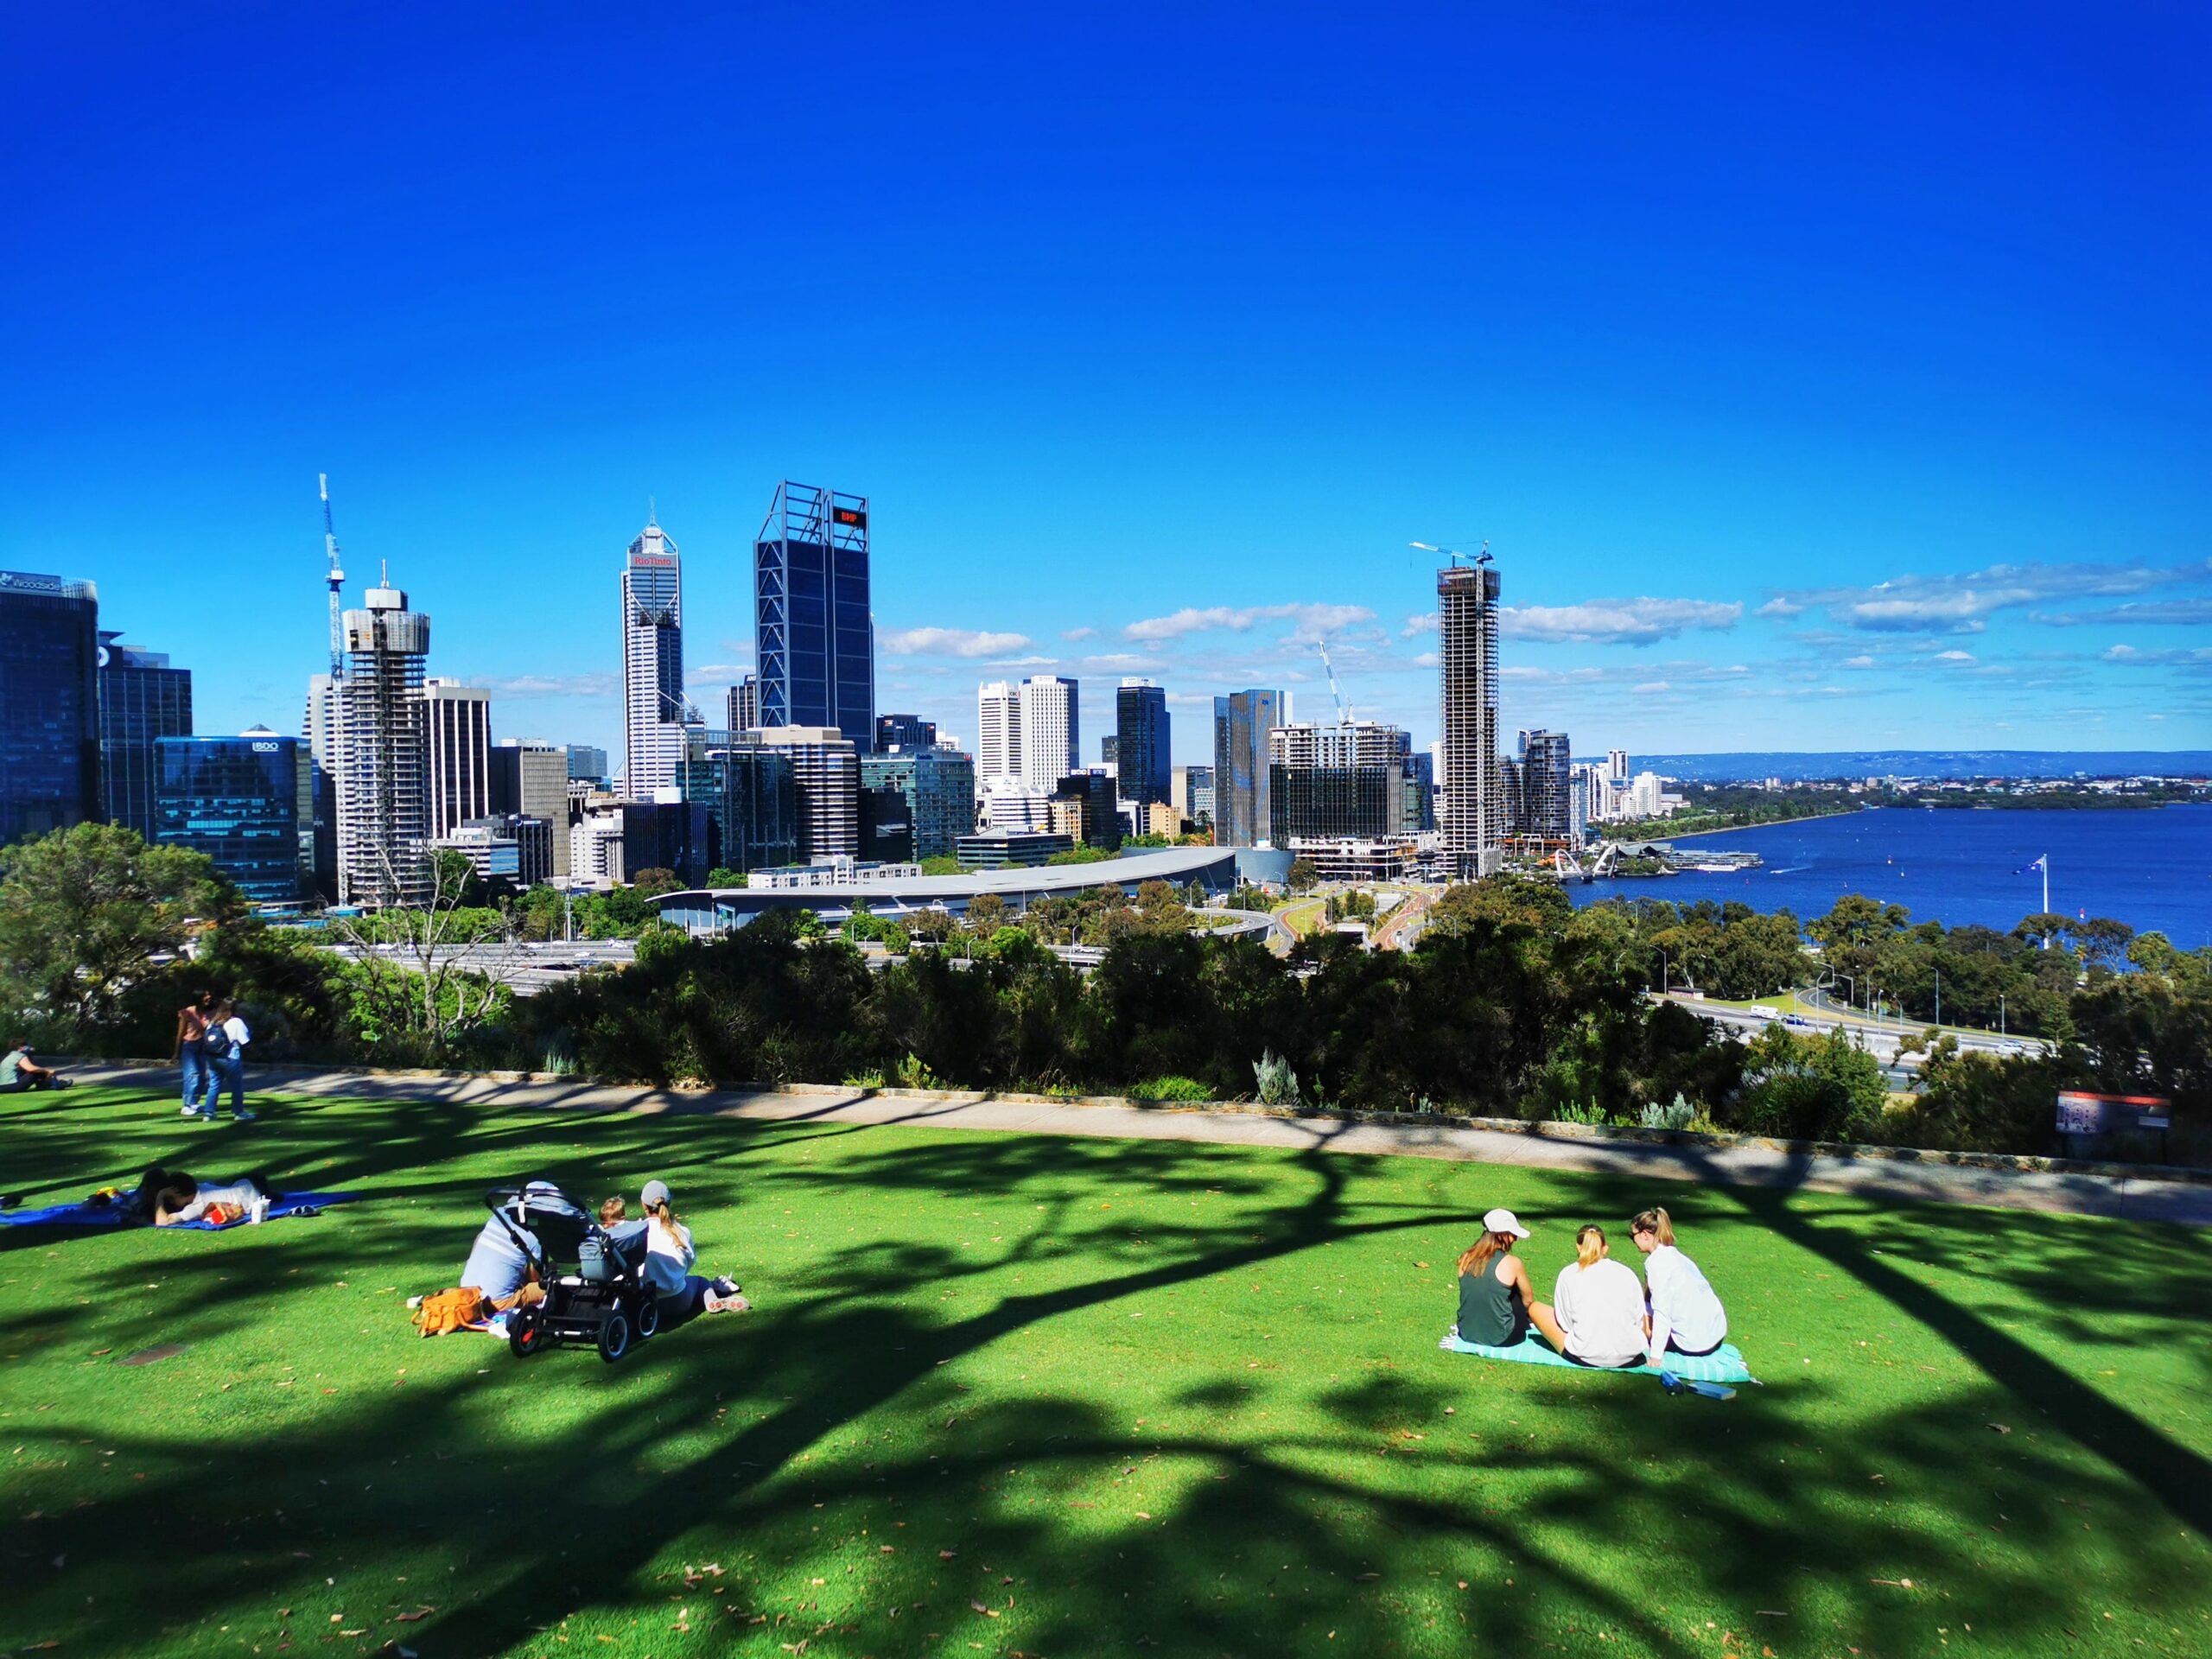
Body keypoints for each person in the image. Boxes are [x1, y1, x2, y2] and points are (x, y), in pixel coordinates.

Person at [1452, 1207, 1567, 1351]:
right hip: (1503, 1337)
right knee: (1516, 1295)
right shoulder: (1512, 1262)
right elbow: (1528, 1301)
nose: (1515, 1239)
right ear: (1501, 1235)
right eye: (1512, 1234)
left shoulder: (1465, 1258)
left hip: (1467, 1332)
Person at [639, 1179, 747, 1325]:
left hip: (645, 1304)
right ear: (669, 1203)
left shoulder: (636, 1233)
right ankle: (713, 1300)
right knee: (700, 1282)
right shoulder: (682, 1232)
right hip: (679, 1302)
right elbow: (689, 1263)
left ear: (643, 1205)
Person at [1629, 1206, 1728, 1364]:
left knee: (1636, 1322)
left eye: (1632, 1235)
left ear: (1645, 1235)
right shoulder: (1677, 1257)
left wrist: (1656, 1355)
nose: (1633, 1240)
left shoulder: (1657, 1264)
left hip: (1694, 1344)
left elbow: (1662, 1311)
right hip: (1716, 1334)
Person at [1550, 1224, 1649, 1368]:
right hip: (1630, 1355)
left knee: (1536, 1309)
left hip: (1585, 1354)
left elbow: (1565, 1324)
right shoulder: (1626, 1273)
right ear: (1605, 1248)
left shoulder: (1569, 1274)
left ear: (1578, 1247)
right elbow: (1639, 1318)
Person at [192, 1000, 255, 1122]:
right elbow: (245, 1042)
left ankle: (209, 1113)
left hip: (213, 1057)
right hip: (230, 1057)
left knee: (214, 1084)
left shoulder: (214, 1022)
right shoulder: (236, 1022)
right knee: (236, 1086)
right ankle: (239, 1112)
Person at [153, 1172, 272, 1227]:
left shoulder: (197, 1207)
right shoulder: (199, 1187)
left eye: (171, 1198)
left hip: (255, 1200)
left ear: (179, 1193)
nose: (172, 1203)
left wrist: (160, 1196)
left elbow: (162, 1222)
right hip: (246, 1185)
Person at [173, 992, 215, 1116]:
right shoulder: (188, 1012)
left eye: (209, 995)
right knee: (192, 1075)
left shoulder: (212, 1013)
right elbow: (180, 1032)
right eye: (205, 996)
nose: (209, 997)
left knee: (202, 1076)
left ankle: (194, 1103)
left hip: (204, 1046)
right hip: (190, 1046)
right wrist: (176, 1051)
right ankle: (187, 1105)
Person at [0, 1043, 67, 1093]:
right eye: (26, 1046)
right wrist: (47, 1070)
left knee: (32, 1072)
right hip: (13, 1086)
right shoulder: (19, 1055)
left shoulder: (9, 1057)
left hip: (2, 1087)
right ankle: (56, 1084)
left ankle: (45, 1084)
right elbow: (31, 1069)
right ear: (20, 1047)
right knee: (37, 1072)